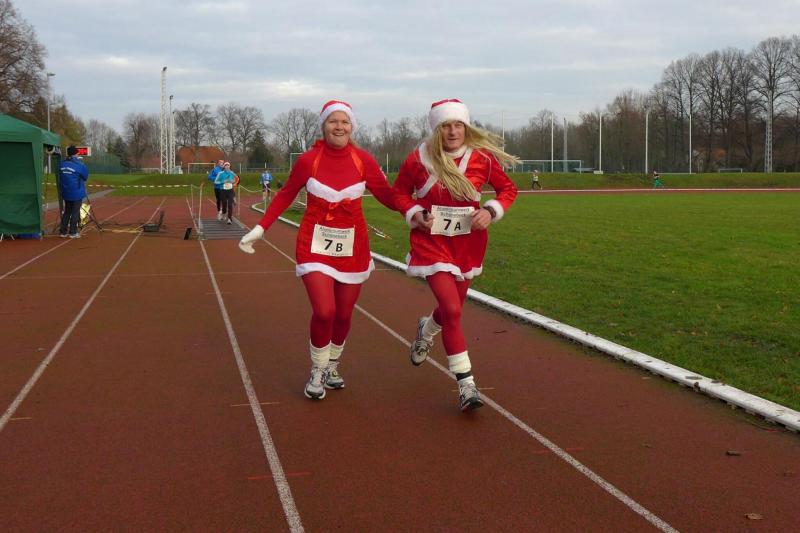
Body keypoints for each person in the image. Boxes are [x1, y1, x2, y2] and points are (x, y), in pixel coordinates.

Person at [239, 100, 397, 400]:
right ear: (323, 126)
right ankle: (318, 369)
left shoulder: (363, 160)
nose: (339, 127)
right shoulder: (308, 160)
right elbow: (285, 195)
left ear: (352, 127)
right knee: (325, 311)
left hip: (353, 249)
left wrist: (417, 211)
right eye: (333, 121)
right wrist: (260, 229)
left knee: (344, 315)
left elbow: (389, 197)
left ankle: (332, 365)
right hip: (315, 246)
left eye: (345, 122)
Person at [392, 99, 518, 412]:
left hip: (467, 245)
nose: (452, 131)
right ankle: (466, 385)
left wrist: (491, 210)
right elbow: (399, 193)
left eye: (458, 125)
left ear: (466, 127)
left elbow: (508, 190)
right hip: (431, 243)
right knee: (451, 309)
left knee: (452, 310)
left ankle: (426, 330)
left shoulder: (482, 158)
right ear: (436, 129)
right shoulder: (418, 159)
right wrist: (415, 213)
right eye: (446, 126)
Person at [58, 145, 90, 238]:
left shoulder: (61, 164)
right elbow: (85, 177)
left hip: (65, 192)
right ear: (76, 154)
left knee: (67, 211)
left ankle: (63, 232)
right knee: (75, 212)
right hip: (76, 192)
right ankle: (73, 232)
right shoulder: (80, 165)